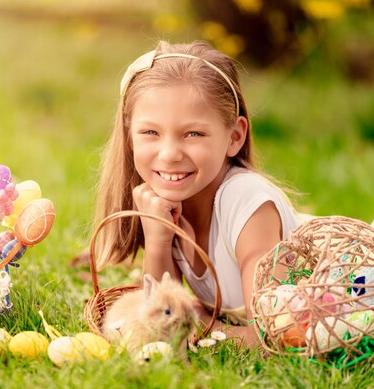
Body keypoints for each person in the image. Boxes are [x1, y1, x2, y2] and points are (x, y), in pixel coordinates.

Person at [93, 40, 300, 346]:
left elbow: (274, 338)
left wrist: (203, 324)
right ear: (129, 137)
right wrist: (158, 239)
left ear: (235, 136)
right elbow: (158, 324)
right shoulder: (169, 203)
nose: (170, 154)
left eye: (193, 134)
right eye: (151, 132)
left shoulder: (247, 204)